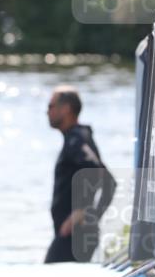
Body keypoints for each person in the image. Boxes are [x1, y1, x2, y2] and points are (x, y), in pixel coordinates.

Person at [45, 85, 116, 264]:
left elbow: (107, 180)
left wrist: (84, 213)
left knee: (48, 276)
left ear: (66, 109)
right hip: (73, 234)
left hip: (75, 235)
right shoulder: (75, 138)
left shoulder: (77, 140)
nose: (47, 112)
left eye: (51, 106)